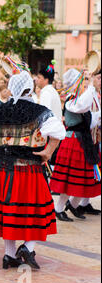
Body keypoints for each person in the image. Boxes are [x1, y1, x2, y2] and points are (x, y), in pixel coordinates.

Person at [0, 70, 66, 270]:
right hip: (28, 169)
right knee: (35, 209)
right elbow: (59, 131)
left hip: (0, 169)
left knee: (8, 211)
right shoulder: (39, 111)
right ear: (30, 88)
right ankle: (27, 247)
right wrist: (49, 151)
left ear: (11, 88)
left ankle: (8, 255)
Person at [50, 69, 101, 221]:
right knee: (70, 179)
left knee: (82, 178)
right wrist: (91, 87)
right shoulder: (72, 100)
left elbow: (90, 120)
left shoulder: (79, 98)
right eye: (83, 80)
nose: (85, 83)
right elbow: (82, 107)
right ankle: (58, 208)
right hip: (73, 142)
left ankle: (72, 204)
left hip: (82, 142)